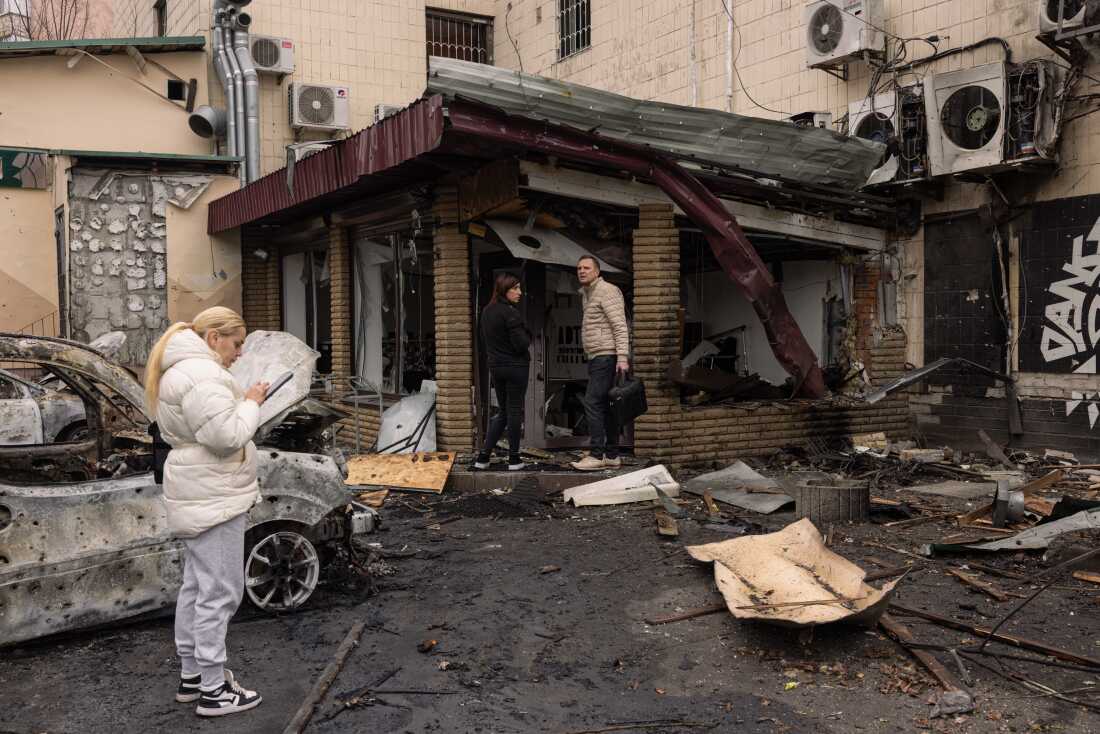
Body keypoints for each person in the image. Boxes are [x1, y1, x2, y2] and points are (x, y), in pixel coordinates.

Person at [144, 306, 269, 718]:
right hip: (214, 494)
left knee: (197, 587)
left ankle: (193, 677)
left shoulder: (180, 369)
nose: (238, 353)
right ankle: (214, 692)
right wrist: (252, 402)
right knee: (220, 591)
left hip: (200, 490)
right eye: (236, 344)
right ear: (214, 337)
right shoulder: (202, 372)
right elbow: (226, 436)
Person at [571, 256, 630, 471]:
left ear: (597, 271)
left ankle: (597, 455)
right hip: (597, 356)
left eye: (586, 268)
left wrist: (622, 358)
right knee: (605, 405)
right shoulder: (587, 293)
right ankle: (612, 455)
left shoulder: (607, 291)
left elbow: (620, 326)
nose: (582, 271)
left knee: (593, 402)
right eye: (579, 268)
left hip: (606, 356)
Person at [474, 273, 531, 471]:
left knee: (504, 412)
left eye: (519, 288)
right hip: (516, 368)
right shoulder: (511, 313)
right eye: (515, 288)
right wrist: (527, 333)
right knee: (514, 411)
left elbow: (486, 341)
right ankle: (514, 459)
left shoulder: (487, 312)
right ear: (504, 290)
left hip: (496, 368)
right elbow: (521, 344)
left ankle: (483, 457)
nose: (519, 292)